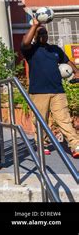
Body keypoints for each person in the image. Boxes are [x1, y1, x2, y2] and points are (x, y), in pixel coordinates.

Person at [21, 18, 79, 158]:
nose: (43, 36)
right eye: (40, 34)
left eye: (45, 33)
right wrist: (35, 26)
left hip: (57, 91)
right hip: (38, 92)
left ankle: (75, 145)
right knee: (41, 120)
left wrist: (77, 71)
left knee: (64, 119)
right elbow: (25, 43)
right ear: (35, 35)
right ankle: (43, 144)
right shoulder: (31, 50)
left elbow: (67, 61)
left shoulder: (55, 49)